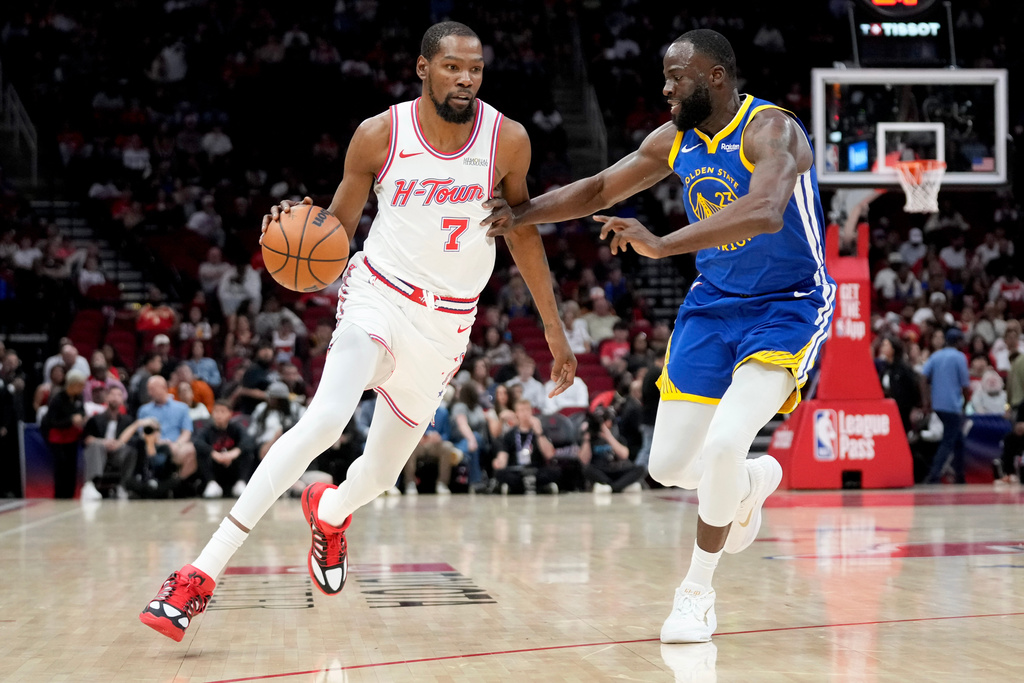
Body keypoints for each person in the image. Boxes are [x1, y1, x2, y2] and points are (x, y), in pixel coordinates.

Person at [140, 21, 576, 642]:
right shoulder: (379, 135)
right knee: (322, 422)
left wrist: (555, 332)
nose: (466, 79)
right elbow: (335, 231)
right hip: (378, 296)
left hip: (448, 324)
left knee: (377, 477)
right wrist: (298, 225)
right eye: (452, 67)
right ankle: (197, 576)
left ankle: (330, 512)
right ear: (422, 67)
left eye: (475, 68)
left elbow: (525, 232)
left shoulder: (508, 141)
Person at [483, 29, 834, 642]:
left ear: (717, 78)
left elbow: (765, 211)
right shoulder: (674, 140)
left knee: (724, 444)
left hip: (787, 304)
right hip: (713, 306)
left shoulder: (772, 131)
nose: (666, 87)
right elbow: (597, 189)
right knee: (670, 466)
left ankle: (696, 593)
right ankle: (752, 481)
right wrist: (522, 213)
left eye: (678, 77)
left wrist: (663, 244)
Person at [921, 328, 971, 484]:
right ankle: (934, 474)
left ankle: (960, 475)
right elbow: (965, 385)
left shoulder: (936, 356)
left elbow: (923, 377)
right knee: (949, 440)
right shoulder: (959, 357)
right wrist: (966, 402)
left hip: (938, 405)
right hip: (952, 405)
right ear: (958, 341)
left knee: (958, 440)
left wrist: (926, 401)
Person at [80, 386, 137, 501]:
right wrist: (103, 442)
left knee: (132, 450)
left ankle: (123, 485)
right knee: (95, 446)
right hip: (99, 451)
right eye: (112, 394)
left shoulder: (127, 421)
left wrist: (118, 444)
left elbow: (132, 439)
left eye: (119, 395)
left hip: (118, 452)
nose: (115, 398)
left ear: (122, 400)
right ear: (107, 397)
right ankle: (90, 484)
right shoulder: (95, 419)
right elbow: (86, 439)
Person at [492, 399, 559, 494]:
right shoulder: (510, 434)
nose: (525, 413)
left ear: (532, 412)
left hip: (535, 469)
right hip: (517, 470)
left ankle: (527, 486)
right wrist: (499, 462)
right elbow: (503, 455)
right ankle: (532, 486)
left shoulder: (540, 432)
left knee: (555, 471)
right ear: (517, 413)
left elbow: (549, 454)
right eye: (521, 410)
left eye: (527, 410)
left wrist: (539, 433)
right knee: (501, 474)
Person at [41, 369, 87, 498]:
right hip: (58, 439)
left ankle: (70, 495)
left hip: (72, 438)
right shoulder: (58, 399)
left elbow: (82, 411)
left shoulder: (79, 397)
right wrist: (71, 420)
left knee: (71, 468)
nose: (82, 388)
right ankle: (60, 496)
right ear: (72, 384)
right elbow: (52, 421)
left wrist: (81, 417)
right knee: (61, 468)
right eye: (80, 385)